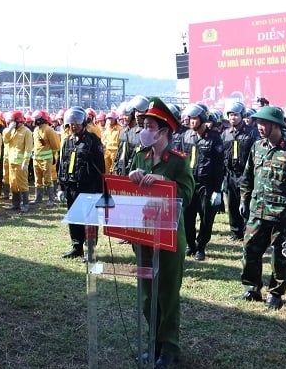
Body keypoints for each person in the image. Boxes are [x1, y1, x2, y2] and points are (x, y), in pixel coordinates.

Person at [128, 97, 194, 368]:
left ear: (164, 131)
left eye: (149, 125)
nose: (144, 129)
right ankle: (153, 342)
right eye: (142, 124)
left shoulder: (178, 162)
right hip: (143, 234)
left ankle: (169, 349)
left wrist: (165, 182)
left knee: (167, 295)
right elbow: (131, 195)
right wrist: (131, 178)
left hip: (168, 236)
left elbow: (188, 195)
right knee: (146, 295)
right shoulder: (139, 156)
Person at [238, 105, 286, 310]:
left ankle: (275, 293)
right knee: (250, 249)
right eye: (258, 122)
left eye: (264, 123)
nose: (259, 127)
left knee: (279, 255)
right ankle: (252, 287)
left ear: (276, 126)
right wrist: (243, 199)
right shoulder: (258, 146)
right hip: (257, 210)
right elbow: (247, 176)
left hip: (281, 214)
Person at [57, 106, 105, 259]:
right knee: (74, 217)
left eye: (77, 122)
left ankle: (90, 250)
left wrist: (100, 190)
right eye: (71, 123)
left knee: (90, 220)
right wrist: (61, 187)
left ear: (84, 122)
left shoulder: (93, 141)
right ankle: (76, 247)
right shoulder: (67, 142)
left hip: (89, 188)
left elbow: (100, 168)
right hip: (71, 186)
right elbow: (62, 165)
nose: (73, 125)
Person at [180, 103, 225, 261]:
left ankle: (201, 247)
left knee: (206, 218)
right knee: (187, 216)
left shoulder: (214, 138)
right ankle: (190, 245)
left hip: (207, 186)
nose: (191, 121)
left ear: (202, 119)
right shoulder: (186, 136)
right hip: (189, 184)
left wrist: (218, 190)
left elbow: (220, 166)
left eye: (194, 118)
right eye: (190, 118)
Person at [222, 101, 259, 242]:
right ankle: (235, 232)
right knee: (231, 203)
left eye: (236, 115)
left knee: (247, 203)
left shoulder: (252, 133)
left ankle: (247, 231)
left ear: (242, 115)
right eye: (230, 115)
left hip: (246, 174)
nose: (233, 118)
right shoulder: (225, 134)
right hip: (230, 174)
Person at [2, 109, 34, 212]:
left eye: (12, 121)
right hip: (12, 163)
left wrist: (25, 162)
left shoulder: (26, 132)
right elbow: (5, 141)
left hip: (21, 164)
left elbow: (28, 148)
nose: (10, 123)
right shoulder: (12, 131)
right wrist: (9, 130)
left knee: (23, 184)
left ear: (18, 121)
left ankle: (25, 204)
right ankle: (15, 204)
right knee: (13, 184)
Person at [30, 109, 60, 206]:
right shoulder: (35, 130)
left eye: (36, 118)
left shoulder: (48, 130)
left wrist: (54, 156)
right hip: (36, 159)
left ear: (41, 119)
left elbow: (55, 145)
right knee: (37, 179)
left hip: (46, 159)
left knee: (47, 179)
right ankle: (38, 198)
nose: (34, 120)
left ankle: (51, 199)